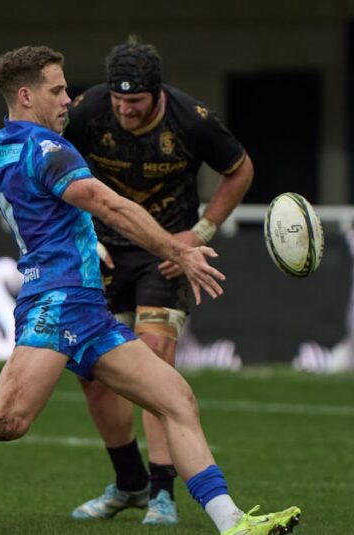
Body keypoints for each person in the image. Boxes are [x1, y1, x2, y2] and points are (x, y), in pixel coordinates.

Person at [0, 45, 301, 535]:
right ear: (27, 95)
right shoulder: (51, 151)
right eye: (58, 89)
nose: (70, 98)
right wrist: (179, 250)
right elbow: (112, 207)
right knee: (3, 421)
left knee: (176, 399)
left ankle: (232, 522)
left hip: (87, 308)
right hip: (57, 303)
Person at [62, 37, 255, 525]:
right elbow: (55, 173)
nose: (125, 110)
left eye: (136, 102)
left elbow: (240, 170)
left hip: (165, 256)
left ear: (158, 94)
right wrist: (81, 235)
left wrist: (199, 233)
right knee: (92, 374)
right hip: (104, 249)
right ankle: (129, 484)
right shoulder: (87, 112)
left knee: (153, 363)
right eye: (119, 100)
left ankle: (162, 491)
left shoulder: (192, 119)